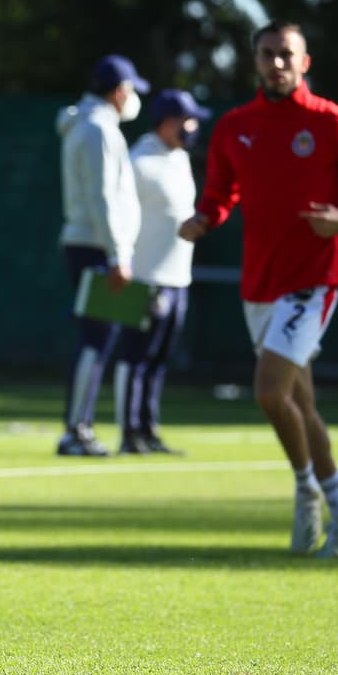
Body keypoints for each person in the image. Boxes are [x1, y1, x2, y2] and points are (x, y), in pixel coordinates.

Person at [179, 20, 338, 558]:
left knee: (269, 391)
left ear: (305, 63)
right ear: (256, 62)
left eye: (286, 54)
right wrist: (204, 219)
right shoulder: (234, 127)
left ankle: (307, 497)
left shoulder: (330, 120)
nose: (276, 62)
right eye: (267, 54)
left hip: (313, 280)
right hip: (259, 283)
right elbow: (220, 194)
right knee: (301, 404)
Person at [55, 54, 149, 457]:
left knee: (100, 338)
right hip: (95, 245)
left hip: (94, 243)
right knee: (96, 338)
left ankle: (81, 426)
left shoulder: (94, 125)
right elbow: (102, 198)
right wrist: (117, 255)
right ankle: (76, 430)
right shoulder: (97, 129)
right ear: (118, 91)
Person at [114, 89, 209, 455]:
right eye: (188, 119)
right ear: (168, 122)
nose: (193, 127)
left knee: (158, 359)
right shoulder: (140, 161)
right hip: (144, 277)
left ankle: (148, 429)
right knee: (136, 355)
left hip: (177, 277)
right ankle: (129, 433)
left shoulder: (179, 159)